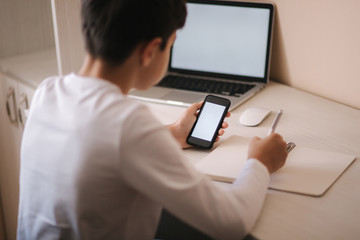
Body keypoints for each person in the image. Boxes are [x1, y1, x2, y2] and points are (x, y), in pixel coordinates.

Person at [17, 0, 288, 239]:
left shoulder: (48, 92)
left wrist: (174, 132)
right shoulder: (129, 124)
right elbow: (231, 222)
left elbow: (99, 145)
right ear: (150, 51)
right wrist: (260, 163)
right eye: (171, 44)